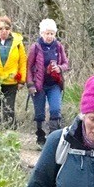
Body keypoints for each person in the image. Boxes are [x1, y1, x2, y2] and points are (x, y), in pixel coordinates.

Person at [27, 18, 70, 146]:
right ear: (42, 33)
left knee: (55, 109)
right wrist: (30, 85)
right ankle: (40, 136)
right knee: (39, 113)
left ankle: (53, 138)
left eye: (52, 33)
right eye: (47, 33)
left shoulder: (58, 47)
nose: (50, 36)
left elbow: (66, 64)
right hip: (38, 85)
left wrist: (60, 68)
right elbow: (28, 67)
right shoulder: (35, 47)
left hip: (54, 84)